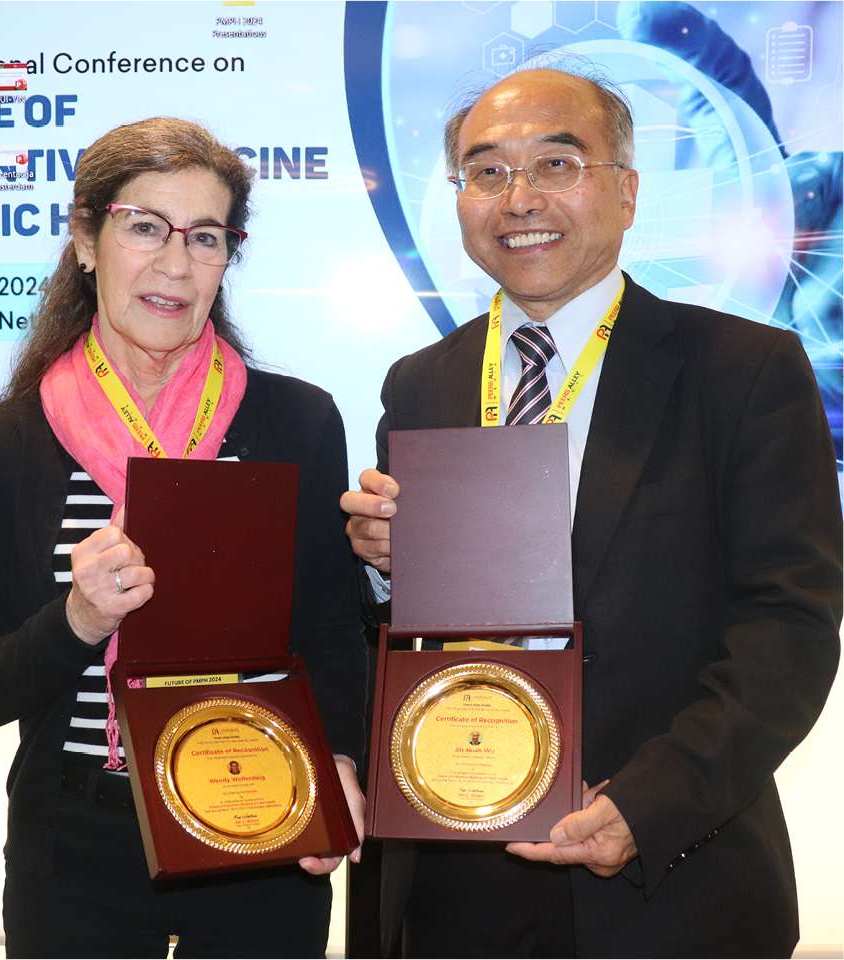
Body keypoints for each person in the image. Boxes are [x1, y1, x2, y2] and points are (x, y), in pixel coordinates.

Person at [341, 65, 841, 958]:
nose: (518, 198)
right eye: (486, 171)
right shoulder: (422, 383)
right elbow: (398, 642)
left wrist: (647, 806)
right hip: (454, 877)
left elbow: (789, 628)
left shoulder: (744, 371)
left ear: (627, 191)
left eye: (557, 164)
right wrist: (382, 568)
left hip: (666, 879)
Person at [0, 117, 366, 959]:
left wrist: (339, 760)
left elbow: (329, 631)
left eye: (205, 237)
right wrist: (78, 620)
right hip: (75, 848)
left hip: (256, 817)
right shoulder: (1, 446)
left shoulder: (297, 422)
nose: (175, 264)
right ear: (85, 240)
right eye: (144, 227)